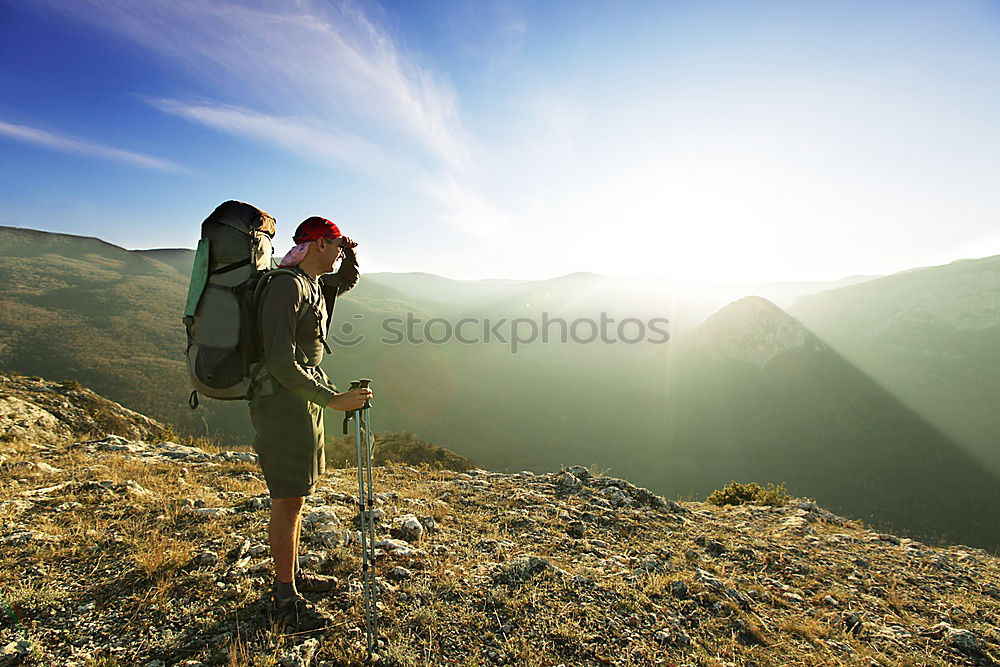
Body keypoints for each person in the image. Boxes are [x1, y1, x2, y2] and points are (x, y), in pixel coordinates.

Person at [249, 215, 373, 633]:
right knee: (287, 500)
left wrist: (351, 249)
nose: (339, 252)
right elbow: (279, 361)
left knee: (297, 497)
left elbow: (348, 279)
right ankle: (285, 599)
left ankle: (292, 576)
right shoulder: (286, 287)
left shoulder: (315, 284)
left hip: (302, 403)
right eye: (335, 245)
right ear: (319, 244)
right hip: (283, 405)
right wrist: (332, 399)